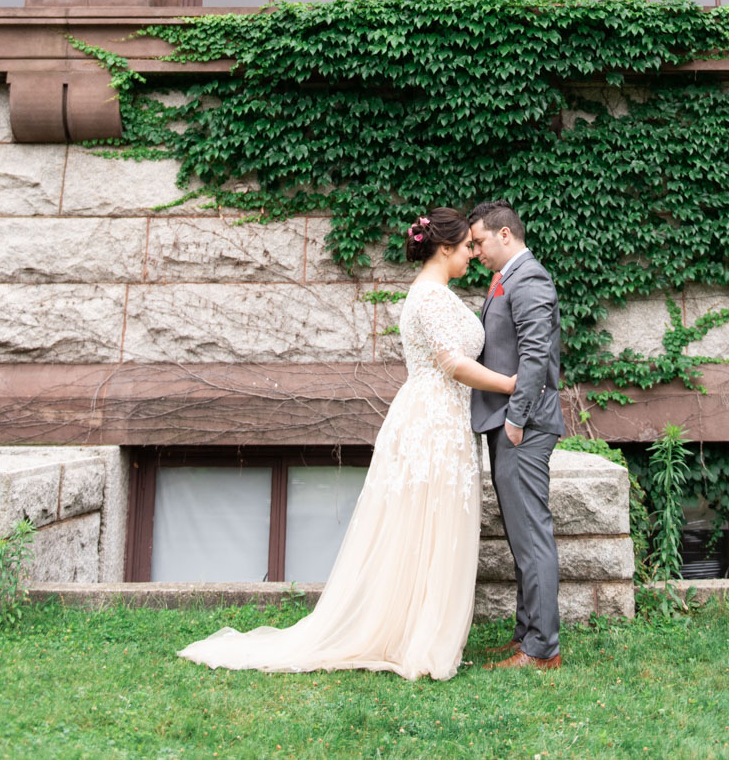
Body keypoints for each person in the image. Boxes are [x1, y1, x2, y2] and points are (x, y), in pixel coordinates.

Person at [177, 207, 516, 682]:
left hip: (444, 417)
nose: (471, 255)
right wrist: (510, 384)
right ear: (444, 248)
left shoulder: (433, 294)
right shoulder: (431, 298)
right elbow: (451, 363)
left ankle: (416, 626)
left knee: (431, 523)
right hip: (433, 419)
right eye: (465, 248)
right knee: (425, 522)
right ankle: (414, 634)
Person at [469, 201, 565, 671]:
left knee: (532, 536)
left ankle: (542, 649)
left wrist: (516, 419)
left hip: (522, 425)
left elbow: (534, 355)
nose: (476, 250)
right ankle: (527, 636)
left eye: (480, 241)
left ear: (505, 235)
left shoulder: (529, 279)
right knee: (521, 536)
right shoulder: (509, 277)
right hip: (509, 422)